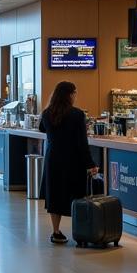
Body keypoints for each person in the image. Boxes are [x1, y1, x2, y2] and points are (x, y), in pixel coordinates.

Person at [39, 81, 99, 245]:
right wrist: (91, 164)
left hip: (53, 159)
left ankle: (56, 231)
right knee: (77, 194)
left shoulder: (47, 113)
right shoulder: (77, 114)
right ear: (70, 94)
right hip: (73, 160)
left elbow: (41, 129)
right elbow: (82, 143)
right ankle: (80, 232)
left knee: (55, 194)